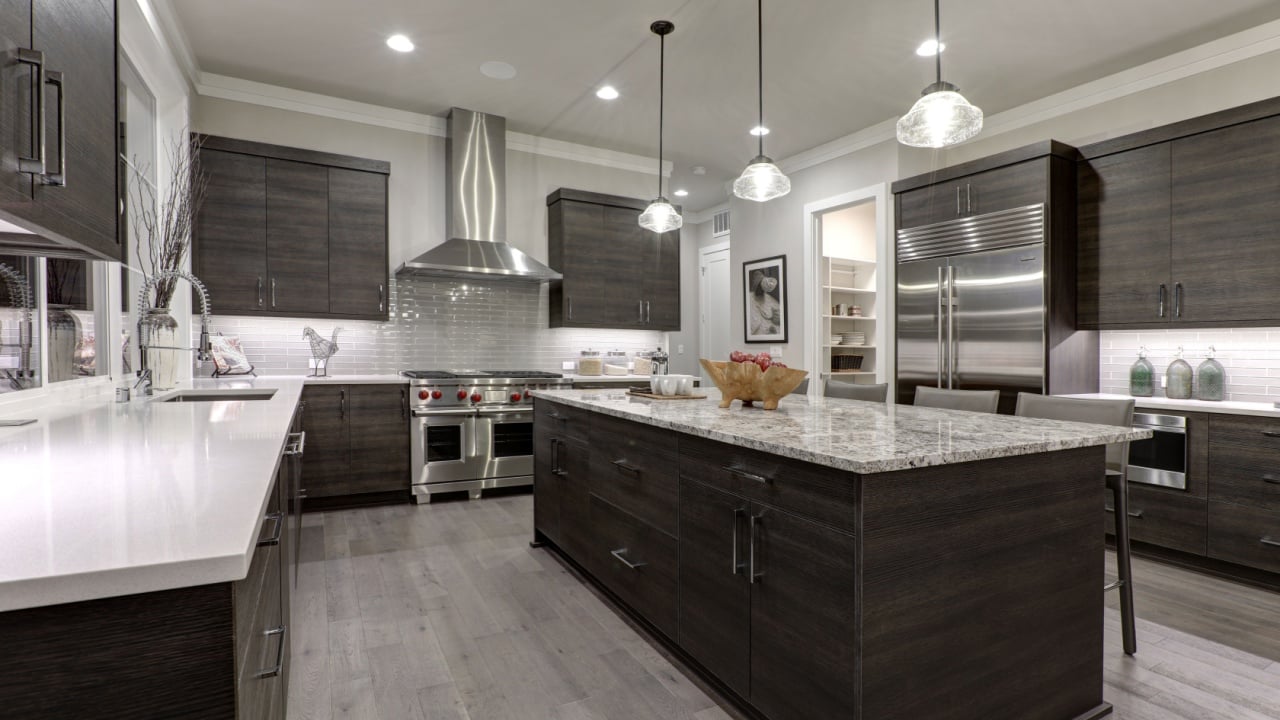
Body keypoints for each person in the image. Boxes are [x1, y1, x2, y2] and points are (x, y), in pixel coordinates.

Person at [749, 269, 781, 336]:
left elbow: (780, 324)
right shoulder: (748, 299)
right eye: (756, 277)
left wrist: (779, 320)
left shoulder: (771, 300)